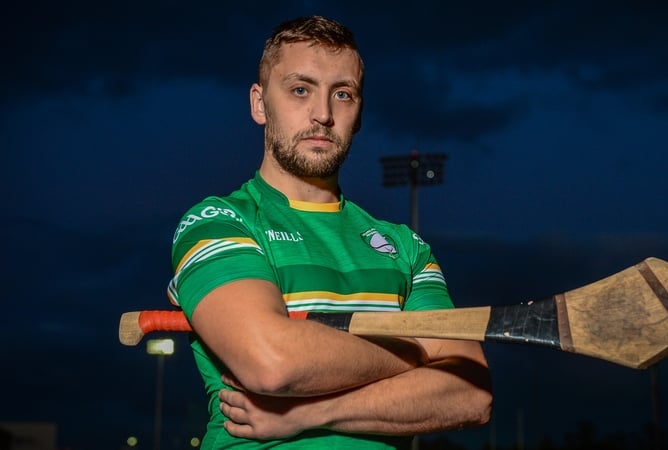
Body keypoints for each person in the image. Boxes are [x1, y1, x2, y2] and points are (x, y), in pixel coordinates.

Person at [167, 15, 493, 449]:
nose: (322, 114)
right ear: (260, 104)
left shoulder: (406, 247)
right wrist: (416, 347)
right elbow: (272, 362)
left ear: (358, 113)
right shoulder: (218, 221)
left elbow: (471, 395)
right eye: (300, 90)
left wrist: (310, 413)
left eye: (342, 94)